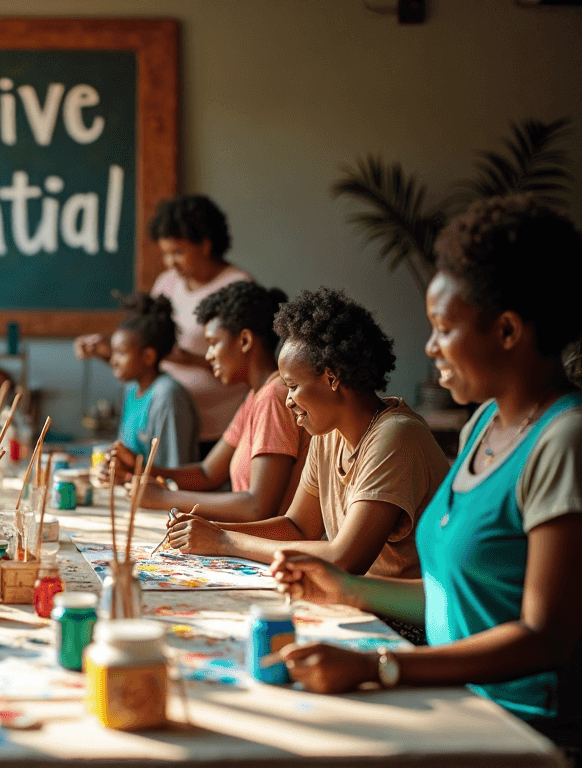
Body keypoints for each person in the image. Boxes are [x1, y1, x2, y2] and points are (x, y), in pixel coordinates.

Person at [272, 196, 582, 753]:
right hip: (453, 698)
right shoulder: (483, 425)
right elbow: (452, 598)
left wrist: (384, 666)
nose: (430, 347)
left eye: (443, 328)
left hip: (522, 729)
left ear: (508, 331)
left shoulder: (563, 441)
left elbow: (544, 638)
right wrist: (348, 589)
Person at [166, 288, 448, 581]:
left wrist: (225, 541)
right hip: (361, 601)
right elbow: (297, 526)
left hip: (404, 621)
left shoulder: (394, 436)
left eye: (293, 386)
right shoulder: (328, 435)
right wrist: (212, 530)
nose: (288, 401)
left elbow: (345, 559)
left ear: (332, 377)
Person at [75, 195, 251, 456]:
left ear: (204, 244)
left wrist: (188, 359)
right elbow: (149, 346)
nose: (170, 263)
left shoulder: (237, 288)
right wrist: (109, 350)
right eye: (165, 254)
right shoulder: (167, 283)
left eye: (178, 253)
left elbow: (247, 366)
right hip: (162, 419)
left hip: (218, 430)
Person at [139, 282, 309, 522]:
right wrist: (141, 471)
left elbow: (257, 507)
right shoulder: (255, 396)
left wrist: (165, 498)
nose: (208, 356)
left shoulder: (275, 397)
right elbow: (207, 473)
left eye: (212, 343)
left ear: (245, 340)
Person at [104, 293, 200, 479]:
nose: (113, 361)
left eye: (121, 353)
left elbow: (172, 474)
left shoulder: (168, 396)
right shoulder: (131, 389)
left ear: (148, 356)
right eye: (113, 352)